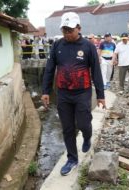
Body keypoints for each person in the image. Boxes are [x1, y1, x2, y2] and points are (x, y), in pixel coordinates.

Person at [41, 12, 105, 176]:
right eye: (64, 30)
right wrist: (45, 91)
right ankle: (72, 159)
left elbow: (96, 72)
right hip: (62, 93)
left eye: (70, 30)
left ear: (79, 28)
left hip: (82, 92)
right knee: (67, 128)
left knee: (83, 124)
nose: (67, 34)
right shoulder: (57, 45)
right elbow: (50, 68)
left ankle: (87, 136)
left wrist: (100, 95)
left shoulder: (88, 46)